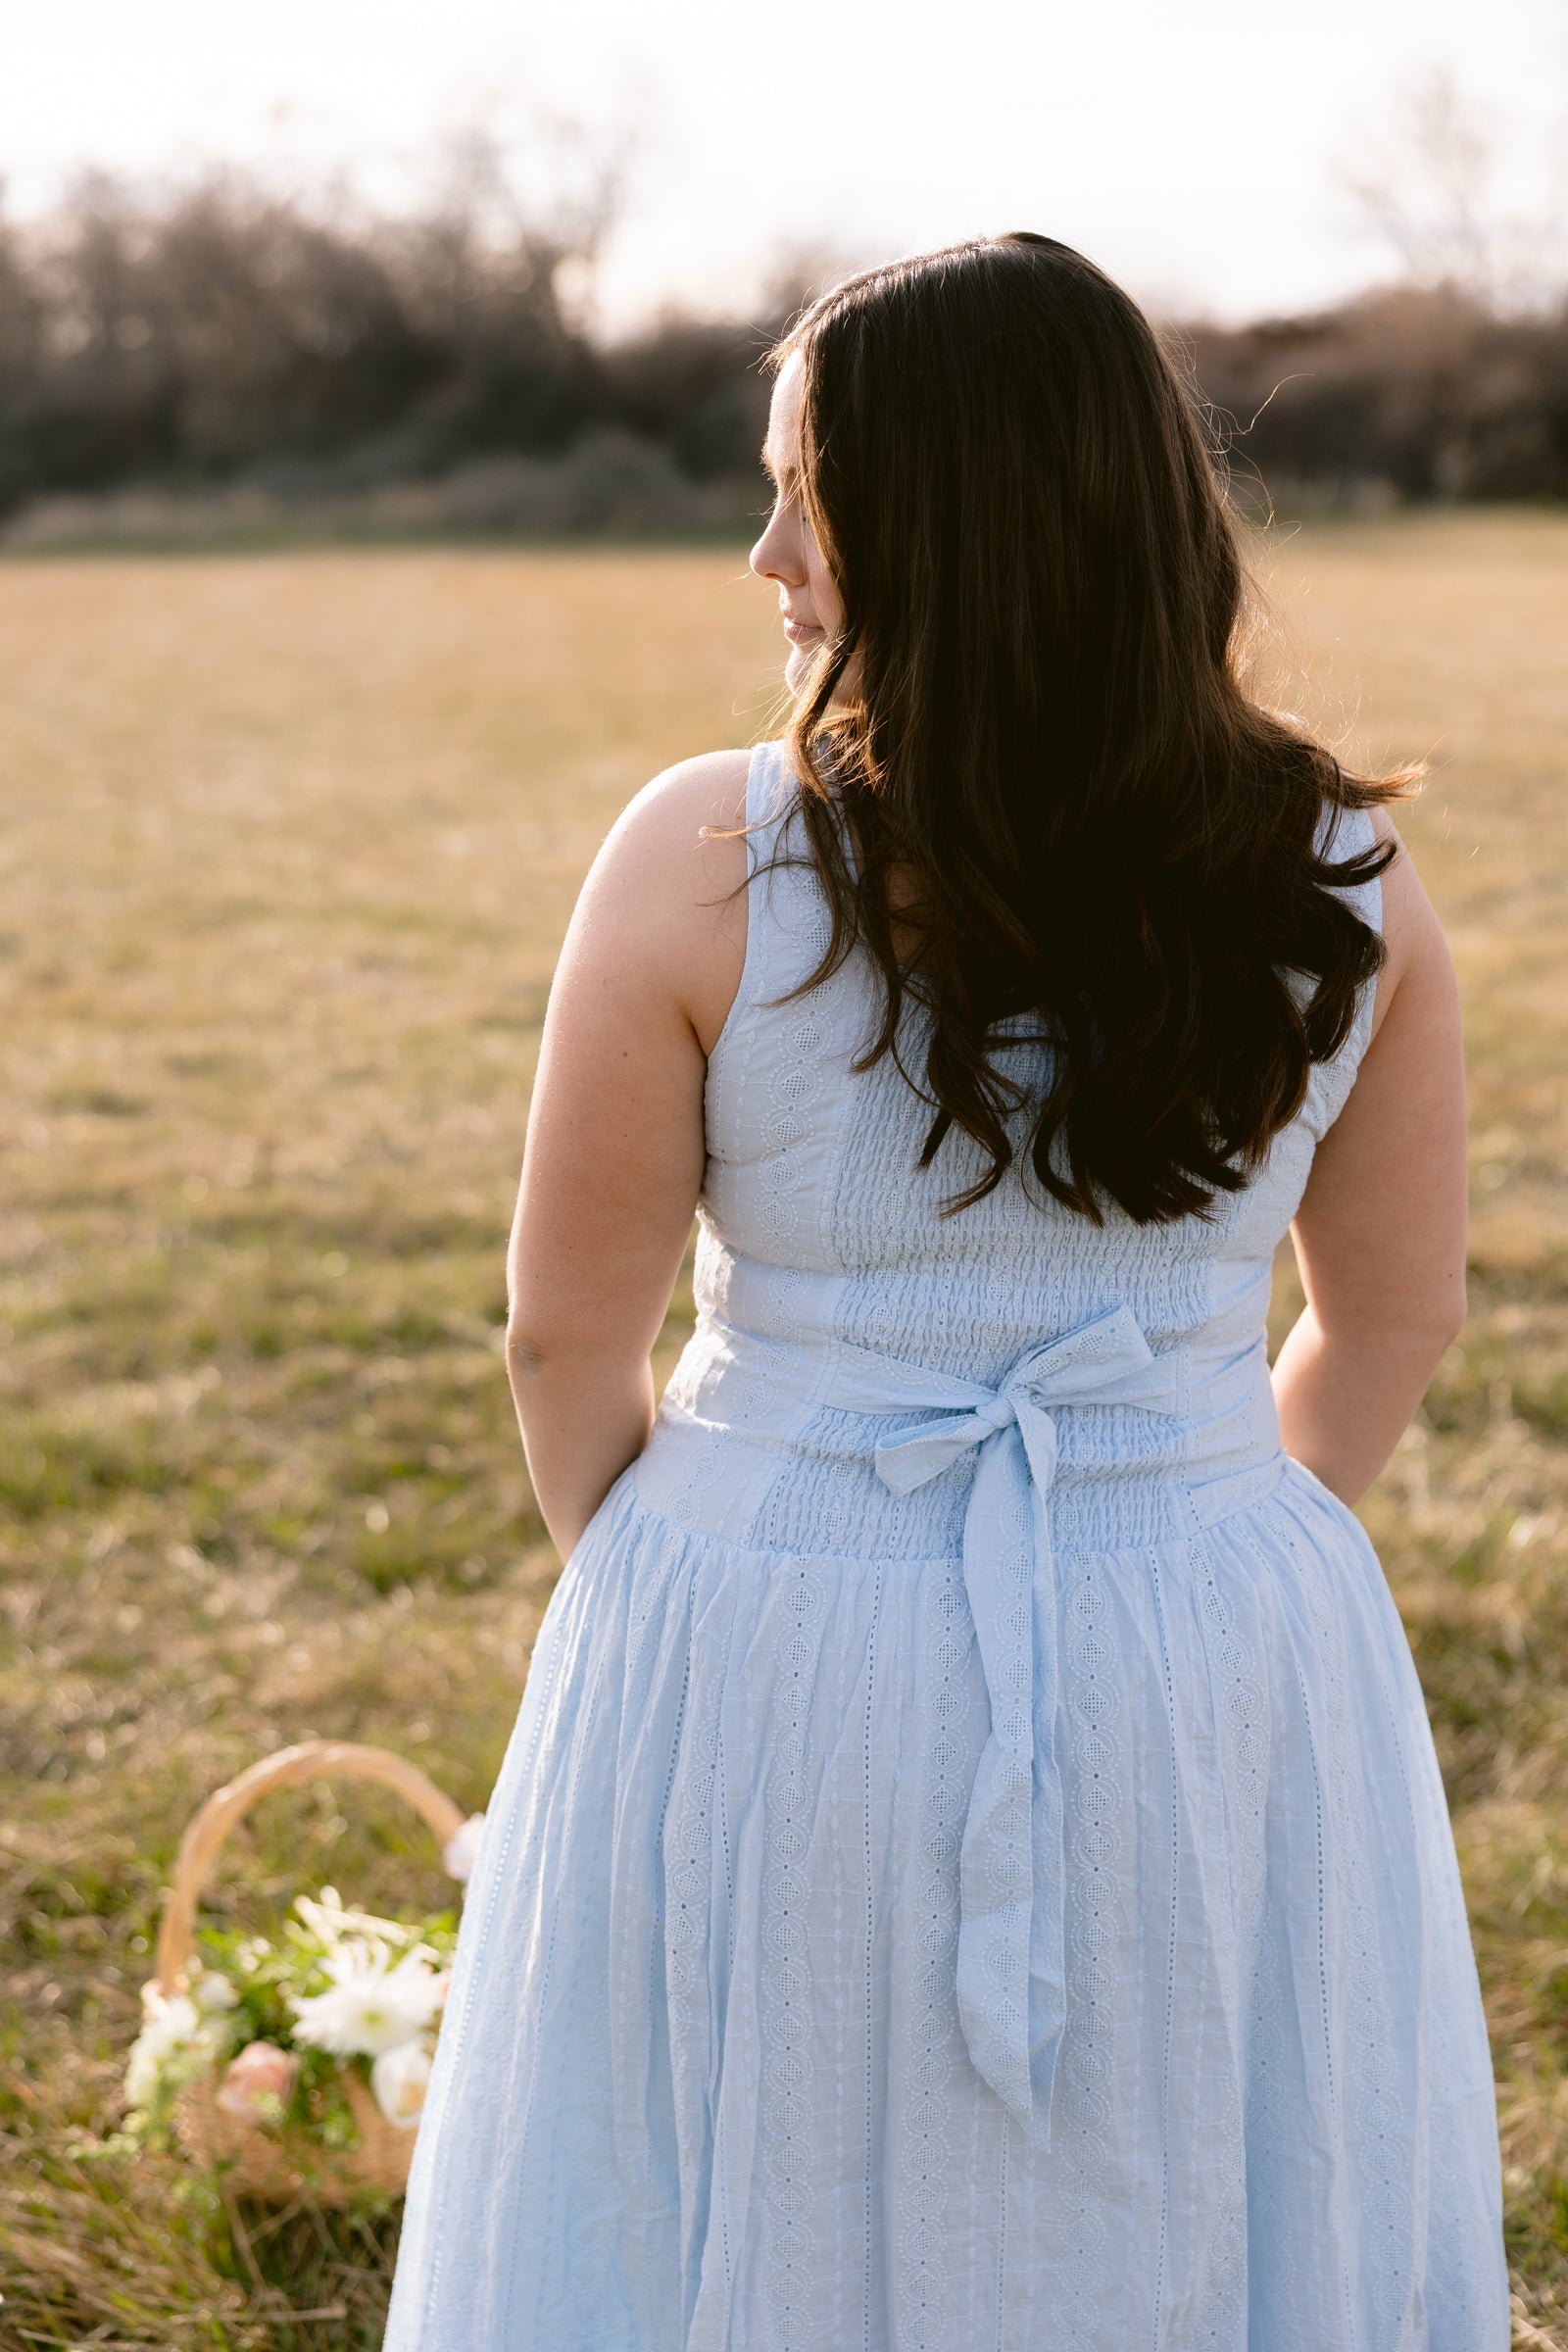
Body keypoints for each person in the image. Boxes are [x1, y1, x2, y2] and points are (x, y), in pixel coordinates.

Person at [383, 234, 1507, 2348]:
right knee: (1191, 2144)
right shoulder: (1345, 877)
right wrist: (1192, 1530)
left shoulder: (701, 856)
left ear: (958, 521)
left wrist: (677, 1591)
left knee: (744, 2165)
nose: (763, 556)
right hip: (1215, 1621)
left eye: (806, 495)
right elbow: (1397, 1315)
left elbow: (561, 1335)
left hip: (766, 1599)